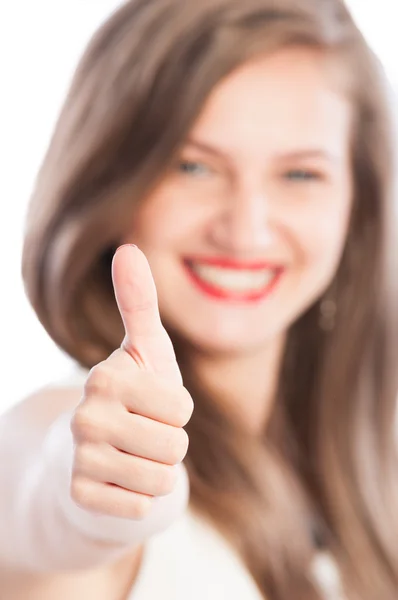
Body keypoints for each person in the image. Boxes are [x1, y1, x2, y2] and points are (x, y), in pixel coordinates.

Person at [1, 0, 398, 598]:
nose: (246, 229)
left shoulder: (364, 473)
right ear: (109, 181)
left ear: (356, 207)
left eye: (300, 175)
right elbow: (36, 491)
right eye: (193, 167)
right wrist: (98, 498)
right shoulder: (65, 424)